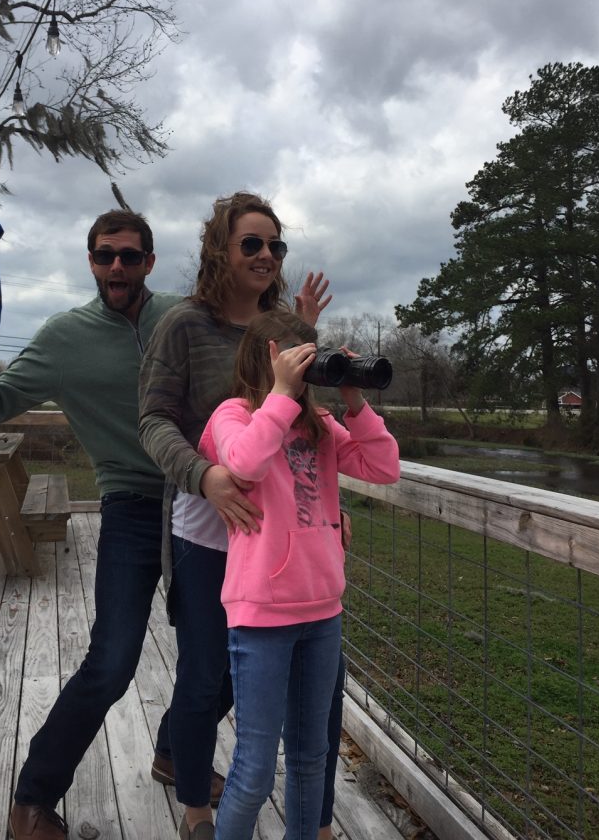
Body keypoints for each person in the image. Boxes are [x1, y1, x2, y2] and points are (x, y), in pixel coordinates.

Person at [0, 209, 195, 840]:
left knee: (221, 648)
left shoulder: (185, 317)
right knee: (114, 659)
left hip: (200, 500)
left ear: (150, 262)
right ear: (91, 262)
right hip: (128, 505)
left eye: (129, 256)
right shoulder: (64, 337)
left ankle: (176, 753)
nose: (116, 267)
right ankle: (32, 799)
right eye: (104, 256)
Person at [139, 192, 340, 840]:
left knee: (280, 691)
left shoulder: (281, 323)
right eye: (251, 243)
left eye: (275, 246)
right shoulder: (183, 325)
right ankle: (198, 804)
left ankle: (309, 819)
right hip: (208, 527)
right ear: (219, 251)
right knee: (205, 675)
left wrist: (305, 333)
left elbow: (305, 422)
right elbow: (154, 420)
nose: (266, 255)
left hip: (281, 537)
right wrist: (204, 475)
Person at [199, 309, 400, 840]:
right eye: (298, 359)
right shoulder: (233, 415)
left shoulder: (322, 425)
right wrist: (281, 395)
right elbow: (241, 465)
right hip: (261, 613)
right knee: (256, 765)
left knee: (313, 758)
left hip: (322, 611)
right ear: (269, 359)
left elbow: (384, 468)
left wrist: (355, 400)